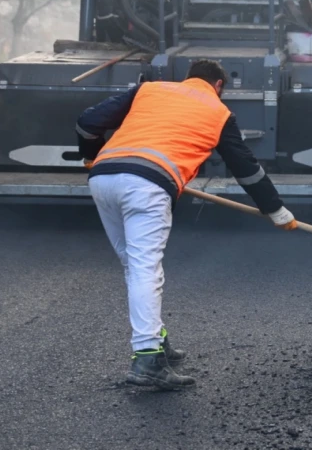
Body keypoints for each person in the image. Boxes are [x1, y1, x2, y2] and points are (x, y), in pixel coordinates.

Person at [76, 59, 298, 389]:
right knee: (144, 268)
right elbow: (246, 167)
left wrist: (92, 155)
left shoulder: (150, 89)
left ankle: (156, 337)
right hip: (146, 186)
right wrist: (276, 210)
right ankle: (148, 359)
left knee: (133, 265)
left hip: (103, 178)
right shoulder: (218, 111)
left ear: (188, 78)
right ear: (219, 86)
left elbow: (87, 122)